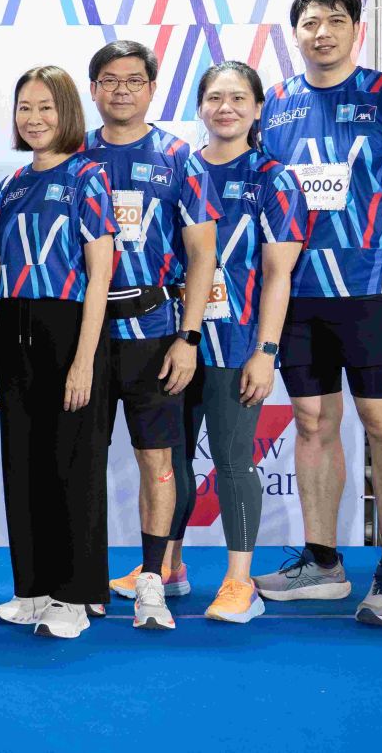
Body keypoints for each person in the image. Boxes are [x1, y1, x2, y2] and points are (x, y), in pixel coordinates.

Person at [254, 0, 382, 627]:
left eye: (335, 19)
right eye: (310, 21)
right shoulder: (276, 104)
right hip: (297, 293)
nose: (322, 31)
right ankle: (324, 562)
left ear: (356, 28)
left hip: (372, 289)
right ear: (295, 33)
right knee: (311, 421)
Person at [146, 61, 307, 623]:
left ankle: (240, 583)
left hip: (238, 343)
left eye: (239, 98)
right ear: (200, 106)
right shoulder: (181, 171)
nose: (226, 108)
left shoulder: (275, 178)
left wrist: (266, 351)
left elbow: (279, 274)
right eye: (215, 97)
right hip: (176, 339)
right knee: (173, 458)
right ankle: (169, 567)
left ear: (258, 108)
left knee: (234, 462)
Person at [82, 40, 220, 632]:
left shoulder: (179, 158)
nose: (121, 90)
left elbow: (203, 253)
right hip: (84, 338)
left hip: (156, 333)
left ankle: (153, 580)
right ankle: (82, 582)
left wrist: (189, 336)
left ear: (152, 88)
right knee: (81, 459)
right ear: (93, 89)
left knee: (157, 458)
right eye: (110, 80)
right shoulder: (74, 153)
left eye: (134, 80)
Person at [0, 66, 115, 640]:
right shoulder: (11, 184)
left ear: (67, 113)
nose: (34, 119)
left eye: (45, 107)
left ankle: (74, 595)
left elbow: (100, 273)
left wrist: (84, 359)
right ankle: (32, 588)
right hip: (14, 327)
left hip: (69, 328)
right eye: (24, 108)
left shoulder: (88, 175)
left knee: (72, 465)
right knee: (23, 463)